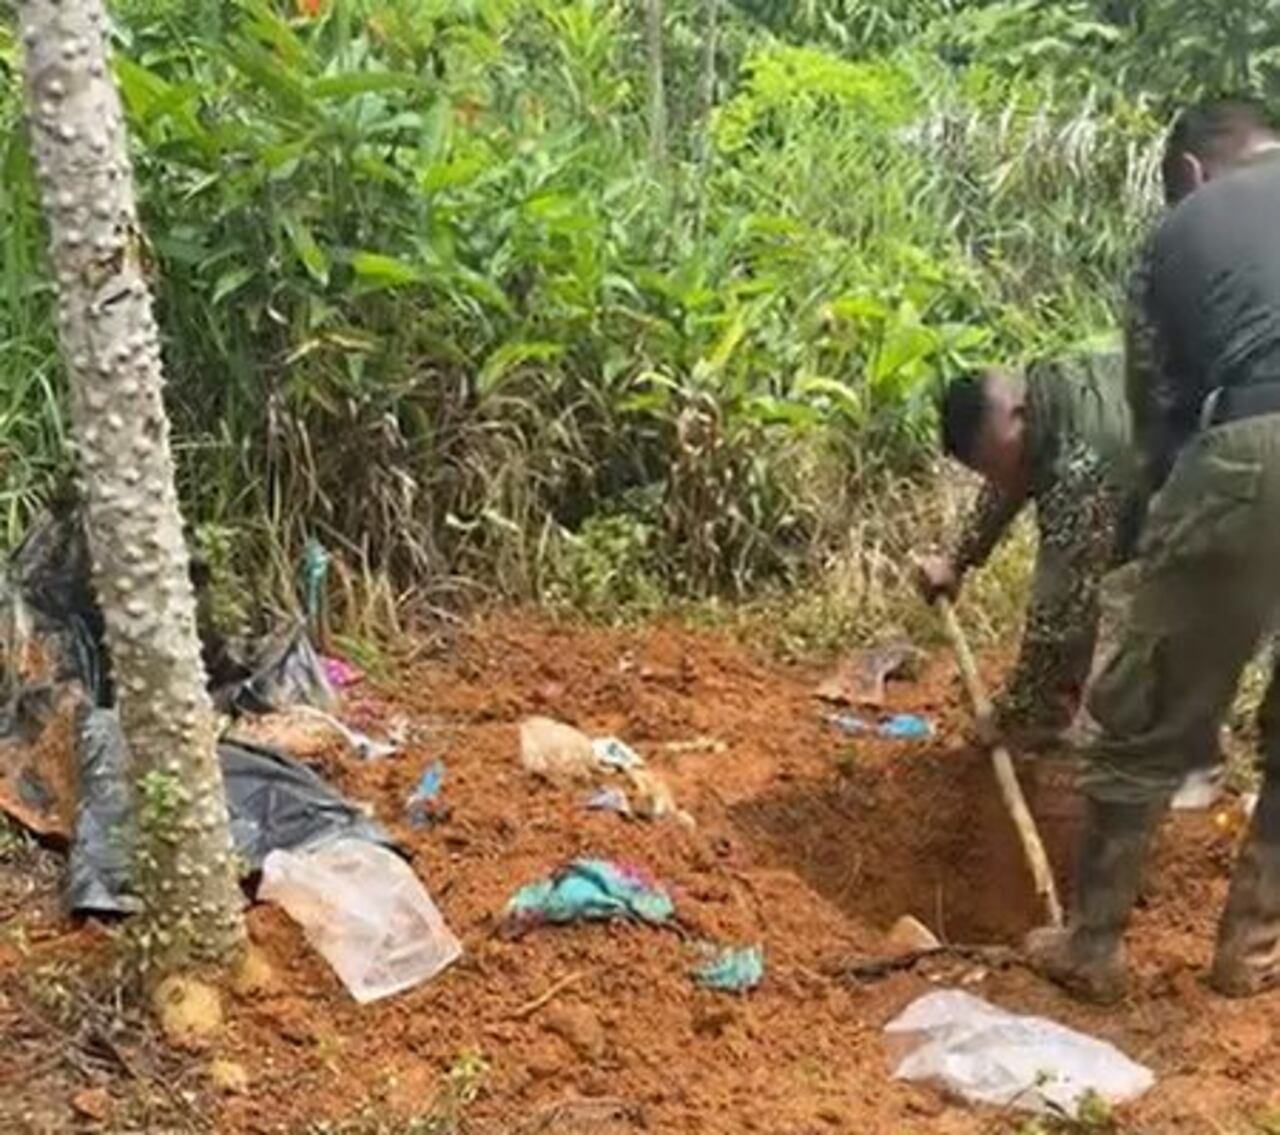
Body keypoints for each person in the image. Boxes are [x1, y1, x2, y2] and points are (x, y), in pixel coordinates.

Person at [1026, 97, 1280, 1002]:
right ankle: (1248, 956)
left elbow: (1159, 420)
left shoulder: (1179, 232)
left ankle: (1092, 945)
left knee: (1147, 709)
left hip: (1255, 439)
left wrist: (1153, 549)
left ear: (1187, 172)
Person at [917, 354, 1140, 748]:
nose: (999, 478)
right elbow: (1012, 477)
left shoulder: (1081, 469)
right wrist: (957, 558)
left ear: (1020, 415)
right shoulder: (1046, 395)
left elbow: (1058, 618)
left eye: (998, 463)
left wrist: (1012, 716)